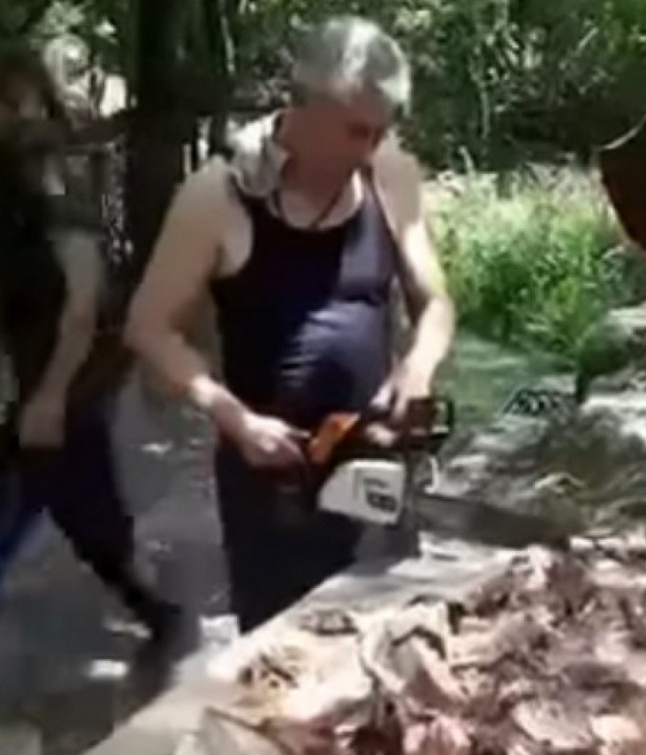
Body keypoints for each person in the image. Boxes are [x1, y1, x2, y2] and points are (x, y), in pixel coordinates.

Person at [125, 16, 456, 632]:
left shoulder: (390, 175)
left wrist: (418, 367)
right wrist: (233, 418)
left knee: (388, 640)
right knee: (282, 654)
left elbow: (435, 303)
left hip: (374, 460)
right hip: (271, 481)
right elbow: (148, 327)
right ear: (302, 107)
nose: (369, 147)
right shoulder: (217, 197)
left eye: (381, 131)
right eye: (356, 130)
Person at [0, 44, 180, 641]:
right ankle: (154, 611)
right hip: (23, 387)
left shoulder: (50, 175)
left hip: (59, 386)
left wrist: (50, 394)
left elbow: (82, 301)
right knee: (70, 510)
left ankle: (156, 612)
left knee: (59, 513)